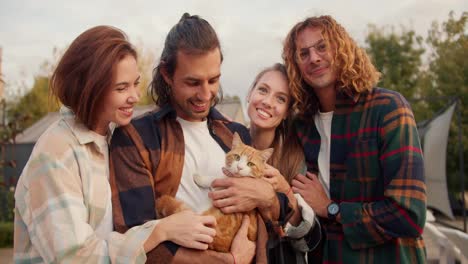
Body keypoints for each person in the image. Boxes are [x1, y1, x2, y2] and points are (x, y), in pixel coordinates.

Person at [110, 13, 290, 263]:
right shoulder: (135, 137)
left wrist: (267, 196)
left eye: (213, 80)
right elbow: (132, 240)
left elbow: (279, 215)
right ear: (166, 73)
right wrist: (227, 262)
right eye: (193, 82)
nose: (205, 94)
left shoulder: (234, 133)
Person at [13, 25, 167, 263]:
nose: (135, 96)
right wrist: (160, 231)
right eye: (121, 88)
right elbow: (75, 257)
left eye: (135, 83)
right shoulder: (56, 152)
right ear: (91, 89)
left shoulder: (114, 137)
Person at [282, 15, 427, 263]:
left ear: (341, 49)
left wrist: (331, 208)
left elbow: (408, 214)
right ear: (296, 65)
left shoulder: (388, 108)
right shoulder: (301, 127)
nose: (314, 58)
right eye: (303, 54)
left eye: (321, 46)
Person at [245, 63, 321, 263]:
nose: (268, 102)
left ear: (287, 111)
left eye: (280, 98)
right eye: (263, 90)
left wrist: (285, 190)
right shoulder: (225, 145)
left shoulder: (295, 160)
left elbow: (307, 239)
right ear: (250, 93)